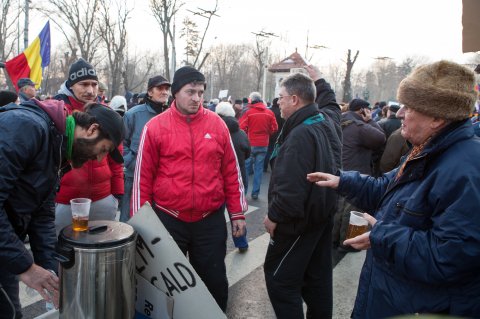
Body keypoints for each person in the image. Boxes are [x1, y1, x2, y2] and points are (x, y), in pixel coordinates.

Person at [307, 60, 480, 318]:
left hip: (420, 306)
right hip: (395, 296)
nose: (399, 113)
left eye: (409, 107)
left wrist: (382, 235)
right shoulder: (426, 150)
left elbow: (451, 256)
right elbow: (386, 188)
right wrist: (342, 181)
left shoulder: (466, 169)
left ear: (437, 117)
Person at [131, 66, 247, 311]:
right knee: (163, 286)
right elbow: (143, 178)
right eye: (190, 92)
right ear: (175, 93)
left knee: (214, 283)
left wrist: (237, 213)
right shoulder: (155, 127)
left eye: (201, 92)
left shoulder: (217, 125)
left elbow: (231, 172)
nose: (197, 98)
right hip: (168, 219)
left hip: (210, 221)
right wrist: (142, 223)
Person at [0, 98, 125, 318]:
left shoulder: (57, 149)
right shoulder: (27, 127)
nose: (99, 158)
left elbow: (42, 216)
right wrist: (27, 267)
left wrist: (52, 274)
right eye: (103, 149)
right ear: (92, 129)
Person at [263, 71, 342, 319]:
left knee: (280, 280)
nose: (278, 103)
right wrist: (320, 81)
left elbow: (290, 188)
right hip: (321, 216)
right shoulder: (323, 120)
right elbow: (331, 105)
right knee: (317, 281)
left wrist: (274, 216)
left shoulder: (300, 134)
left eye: (281, 98)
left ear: (295, 99)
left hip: (299, 222)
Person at [54, 58, 124, 234]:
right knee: (64, 253)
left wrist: (116, 195)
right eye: (84, 84)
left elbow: (116, 158)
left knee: (100, 251)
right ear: (71, 85)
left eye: (94, 84)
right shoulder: (57, 112)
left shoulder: (106, 113)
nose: (90, 90)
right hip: (65, 201)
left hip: (103, 198)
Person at [121, 75, 171, 222]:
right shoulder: (133, 114)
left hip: (163, 180)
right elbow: (121, 145)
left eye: (167, 89)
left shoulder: (172, 116)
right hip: (134, 179)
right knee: (130, 222)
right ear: (150, 92)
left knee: (157, 225)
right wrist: (131, 162)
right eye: (160, 88)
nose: (164, 92)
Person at [216, 101, 251, 252]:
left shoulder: (215, 130)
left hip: (219, 178)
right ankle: (241, 242)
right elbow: (248, 152)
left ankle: (217, 245)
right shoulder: (241, 132)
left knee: (217, 215)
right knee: (236, 213)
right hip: (239, 177)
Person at [239, 92, 278, 199]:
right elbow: (274, 128)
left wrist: (247, 133)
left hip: (251, 144)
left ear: (252, 100)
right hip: (263, 144)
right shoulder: (269, 113)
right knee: (259, 169)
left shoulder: (249, 113)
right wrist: (267, 133)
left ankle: (244, 192)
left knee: (246, 169)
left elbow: (241, 127)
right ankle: (255, 192)